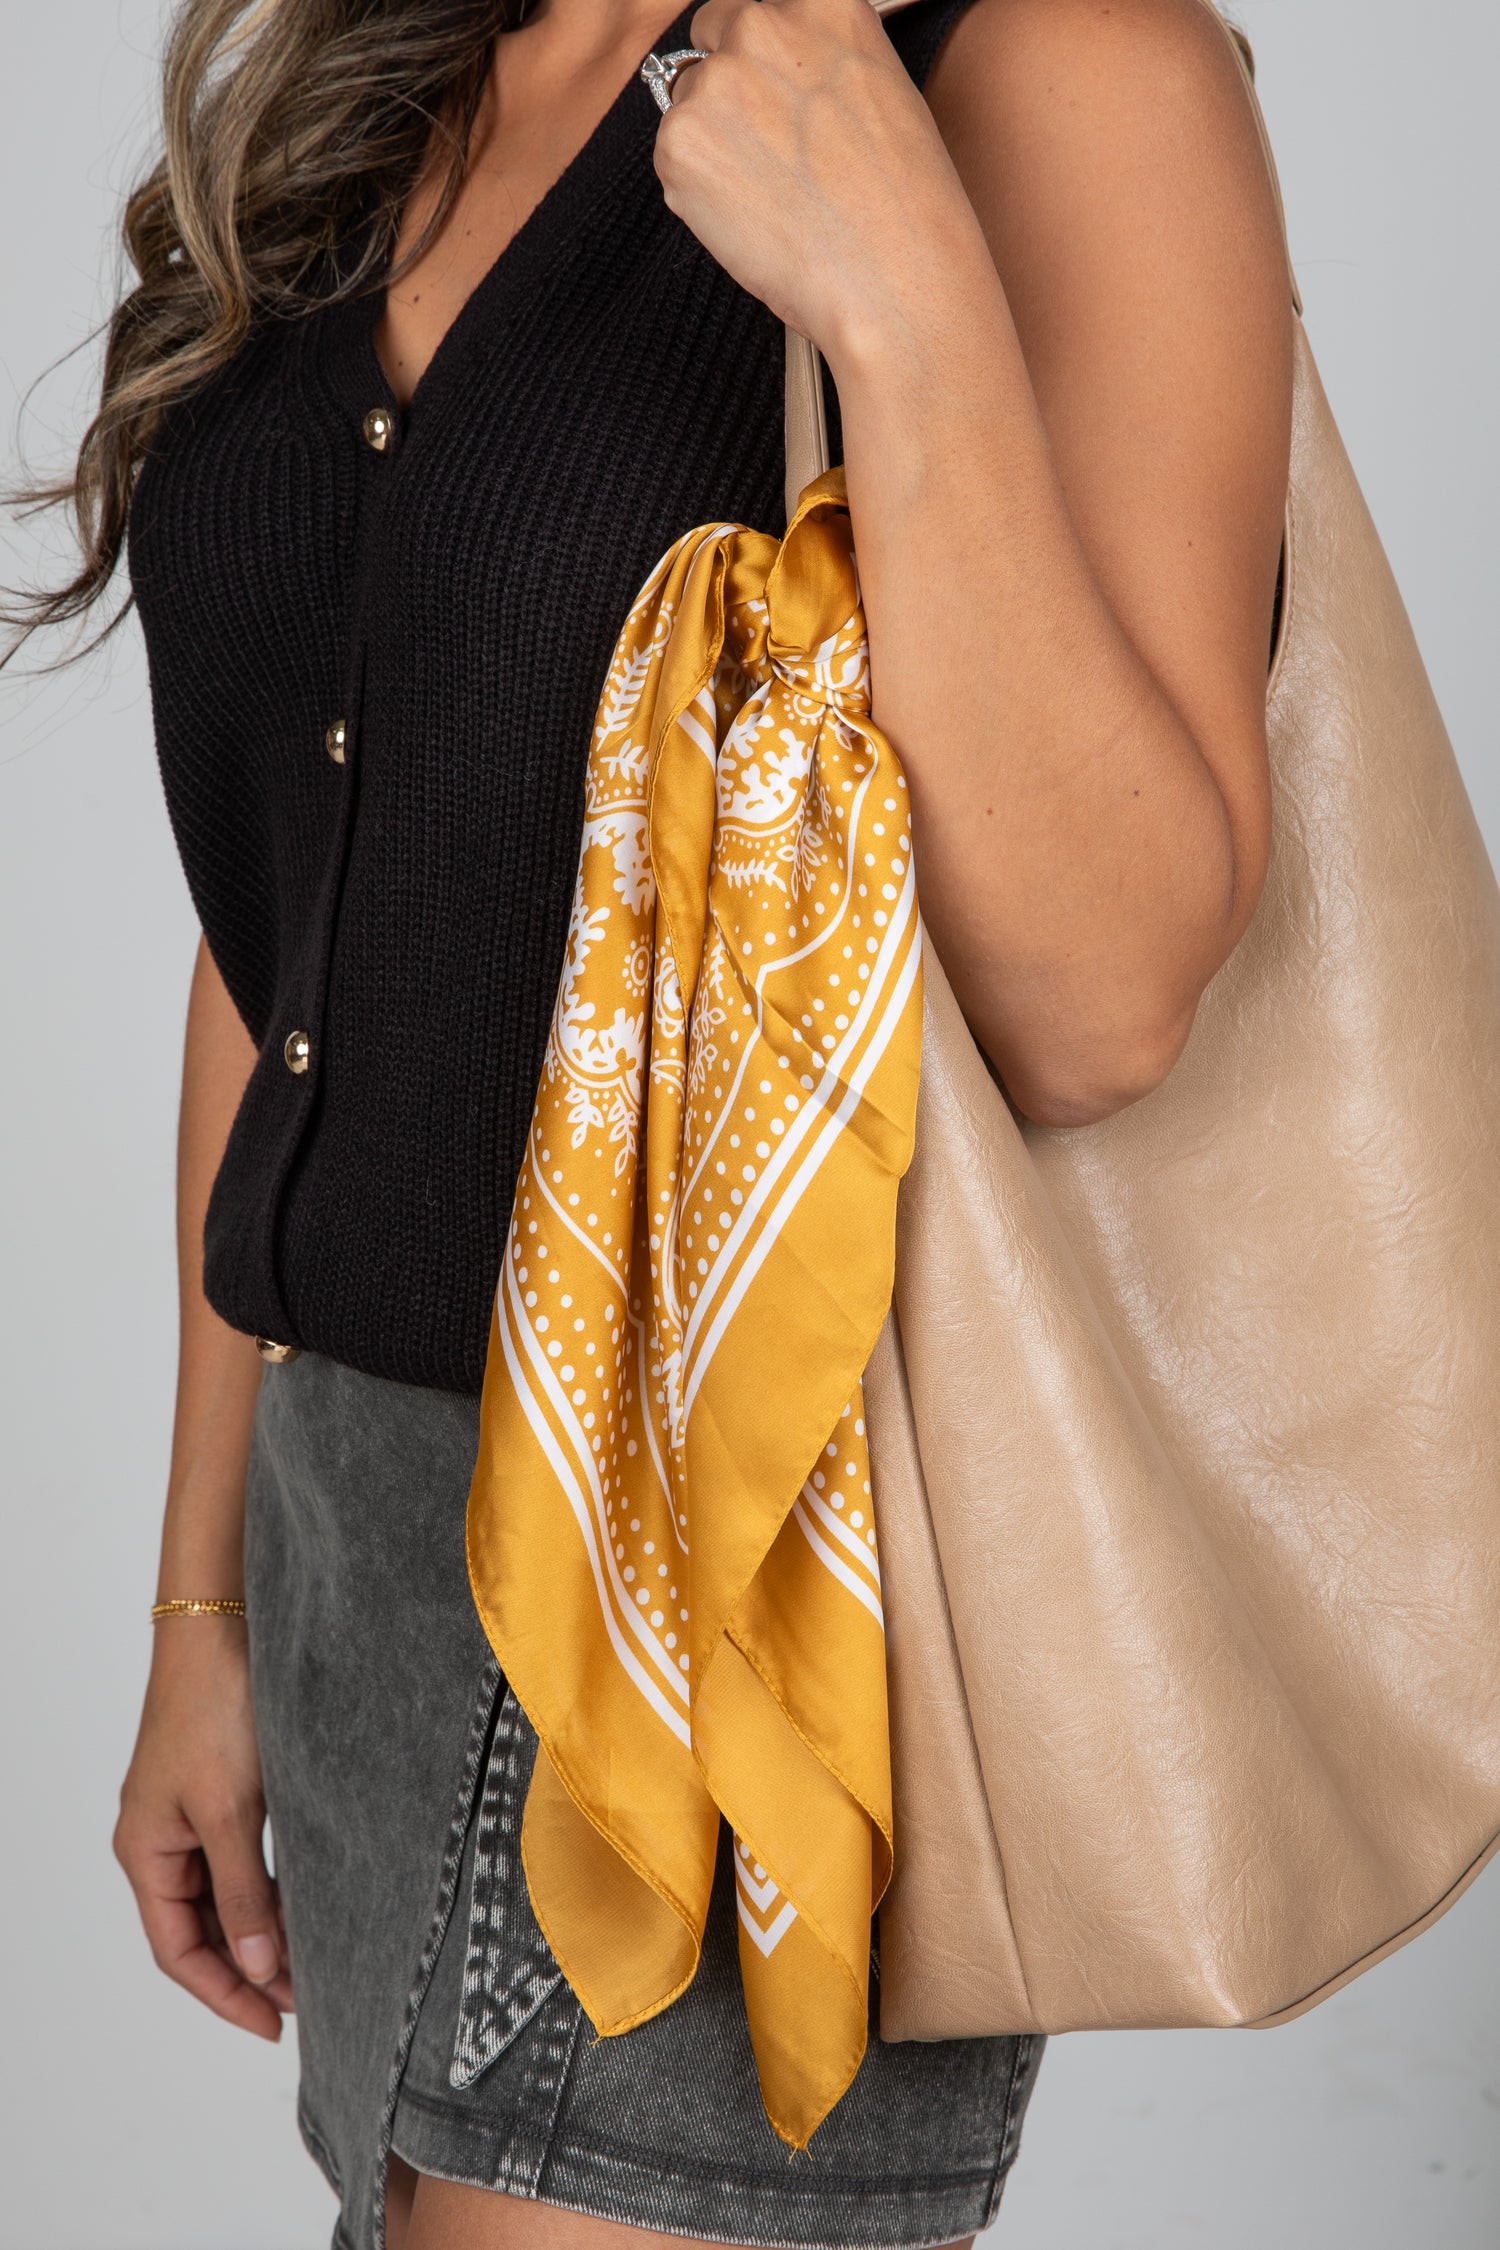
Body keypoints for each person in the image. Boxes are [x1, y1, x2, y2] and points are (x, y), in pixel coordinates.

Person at [15, 0, 1293, 2242]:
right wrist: (199, 1597)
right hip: (357, 1563)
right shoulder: (390, 71)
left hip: (733, 1605)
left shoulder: (1058, 67)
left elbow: (1109, 1006)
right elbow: (292, 915)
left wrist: (903, 304)